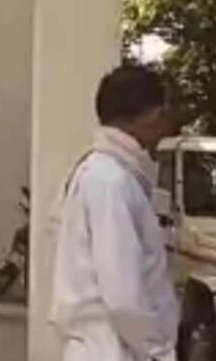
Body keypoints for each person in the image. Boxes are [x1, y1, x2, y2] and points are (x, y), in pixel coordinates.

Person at [50, 65, 178, 361]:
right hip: (112, 349)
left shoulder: (103, 172)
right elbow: (123, 294)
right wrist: (158, 352)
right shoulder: (111, 181)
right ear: (153, 115)